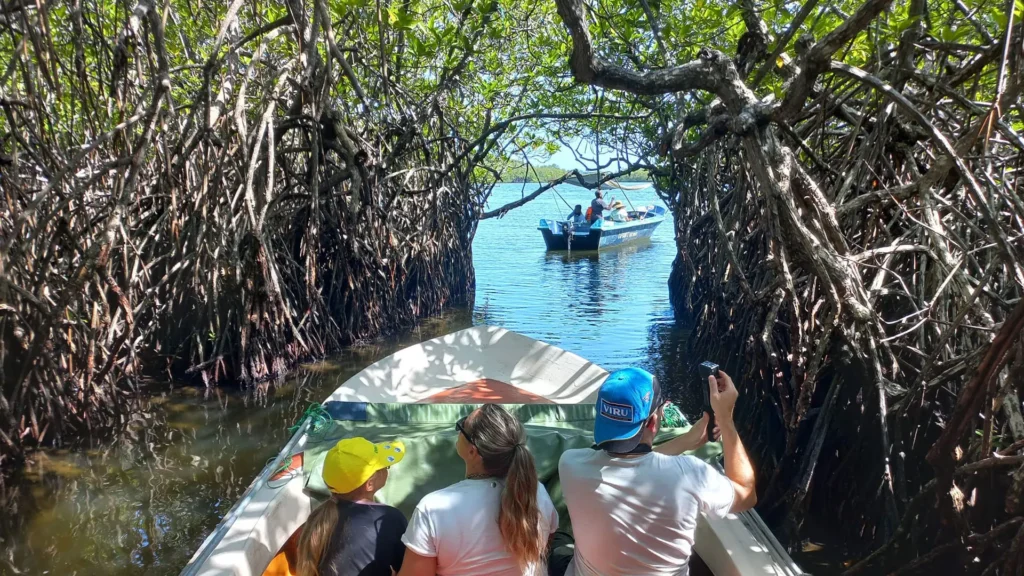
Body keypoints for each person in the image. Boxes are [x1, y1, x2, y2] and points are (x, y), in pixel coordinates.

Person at [552, 367, 757, 576]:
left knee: (560, 540)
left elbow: (633, 464)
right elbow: (746, 494)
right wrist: (726, 419)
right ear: (653, 421)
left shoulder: (570, 464)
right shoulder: (690, 475)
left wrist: (687, 440)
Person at [399, 404, 559, 576]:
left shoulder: (433, 508)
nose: (458, 430)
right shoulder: (536, 492)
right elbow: (546, 541)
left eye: (462, 426)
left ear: (472, 451)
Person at [297, 437, 409, 576]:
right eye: (386, 467)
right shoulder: (390, 518)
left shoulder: (317, 518)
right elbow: (410, 569)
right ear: (370, 484)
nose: (387, 470)